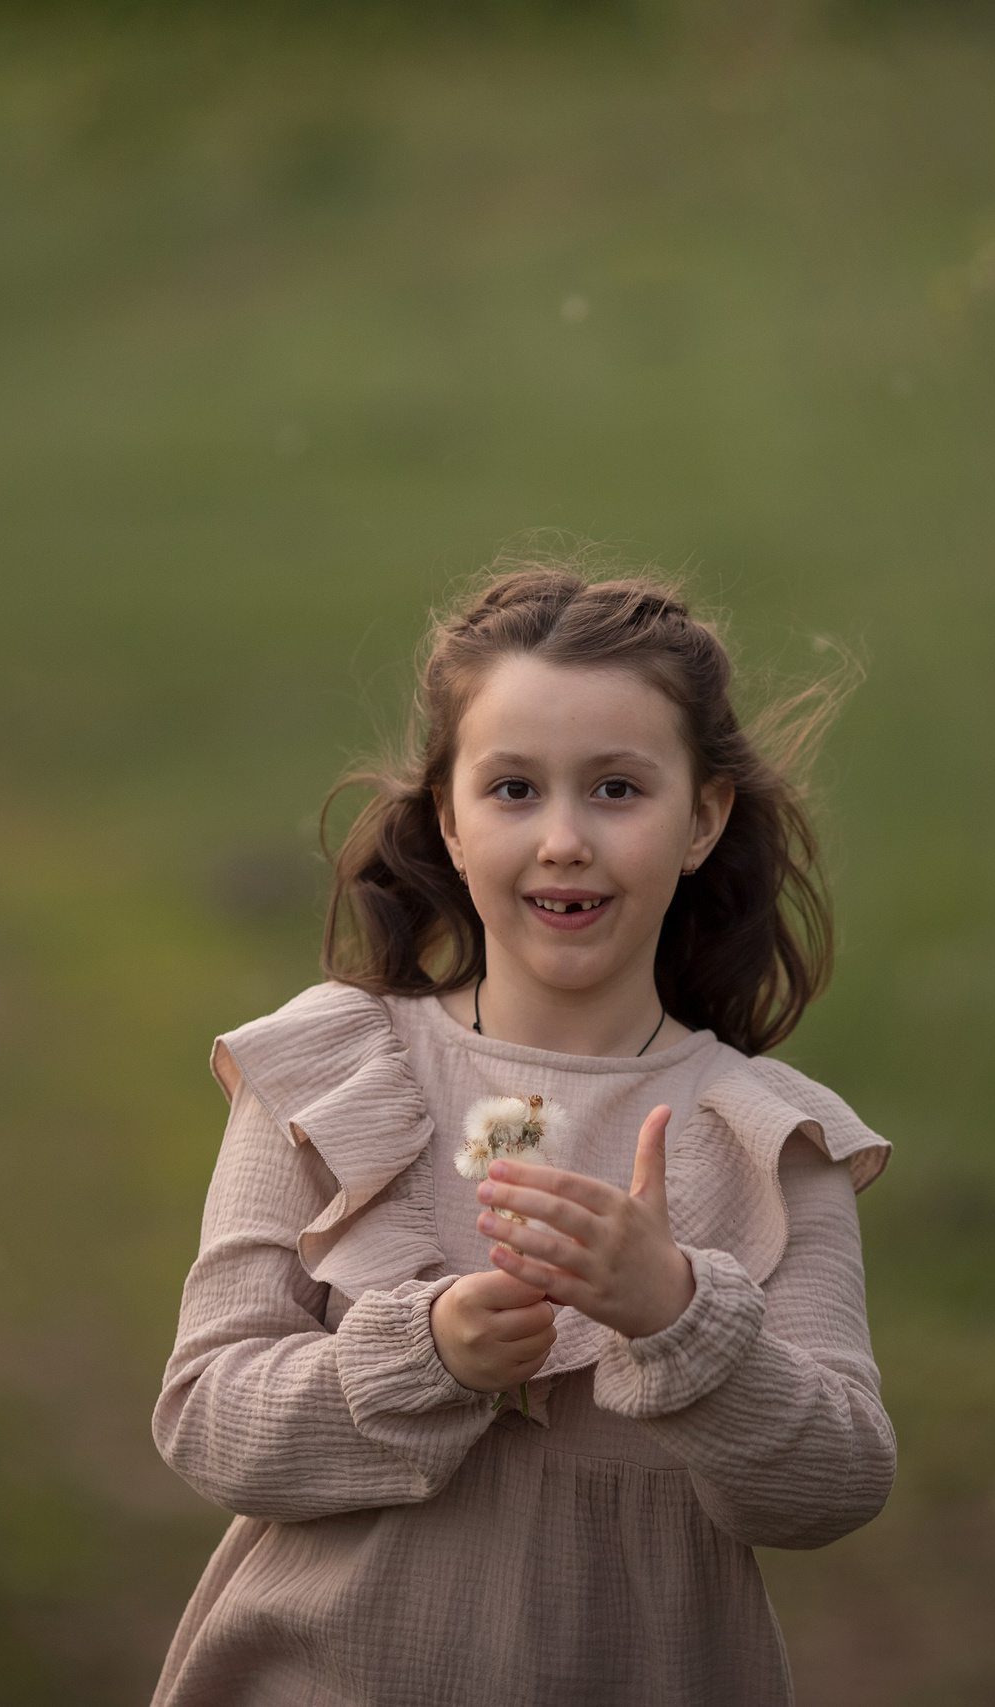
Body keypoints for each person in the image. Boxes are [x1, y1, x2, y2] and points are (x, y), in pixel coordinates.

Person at [148, 559, 894, 1706]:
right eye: (512, 790)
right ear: (446, 818)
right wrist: (426, 1355)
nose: (562, 840)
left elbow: (833, 1487)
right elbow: (207, 1422)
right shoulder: (328, 1070)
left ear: (701, 818)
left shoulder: (766, 1139)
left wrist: (680, 1320)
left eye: (615, 790)